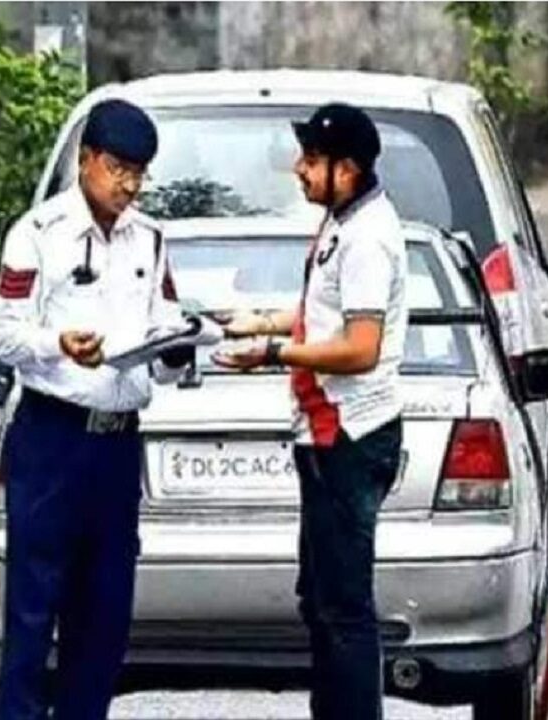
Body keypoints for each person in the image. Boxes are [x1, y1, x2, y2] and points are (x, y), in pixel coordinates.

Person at [0, 98, 192, 720]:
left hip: (115, 445)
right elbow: (2, 335)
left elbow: (163, 335)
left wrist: (180, 347)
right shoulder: (37, 235)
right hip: (52, 439)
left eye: (139, 172)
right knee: (31, 611)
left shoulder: (150, 241)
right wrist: (59, 345)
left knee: (103, 616)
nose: (128, 185)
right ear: (86, 161)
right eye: (117, 168)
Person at [213, 102, 407, 720]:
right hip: (323, 435)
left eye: (312, 160)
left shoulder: (369, 238)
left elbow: (360, 348)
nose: (299, 170)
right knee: (320, 599)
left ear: (346, 169)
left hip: (349, 436)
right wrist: (263, 321)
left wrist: (273, 352)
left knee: (345, 608)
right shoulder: (342, 223)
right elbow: (326, 316)